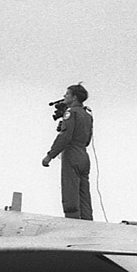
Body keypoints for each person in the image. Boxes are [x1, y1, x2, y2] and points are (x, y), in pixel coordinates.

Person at [40, 83, 94, 220]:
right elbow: (87, 139)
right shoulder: (87, 115)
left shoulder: (71, 113)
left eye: (67, 94)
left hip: (72, 154)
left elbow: (65, 136)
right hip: (84, 155)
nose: (64, 96)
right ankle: (87, 225)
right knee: (84, 195)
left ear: (74, 97)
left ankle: (73, 226)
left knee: (70, 194)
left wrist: (50, 155)